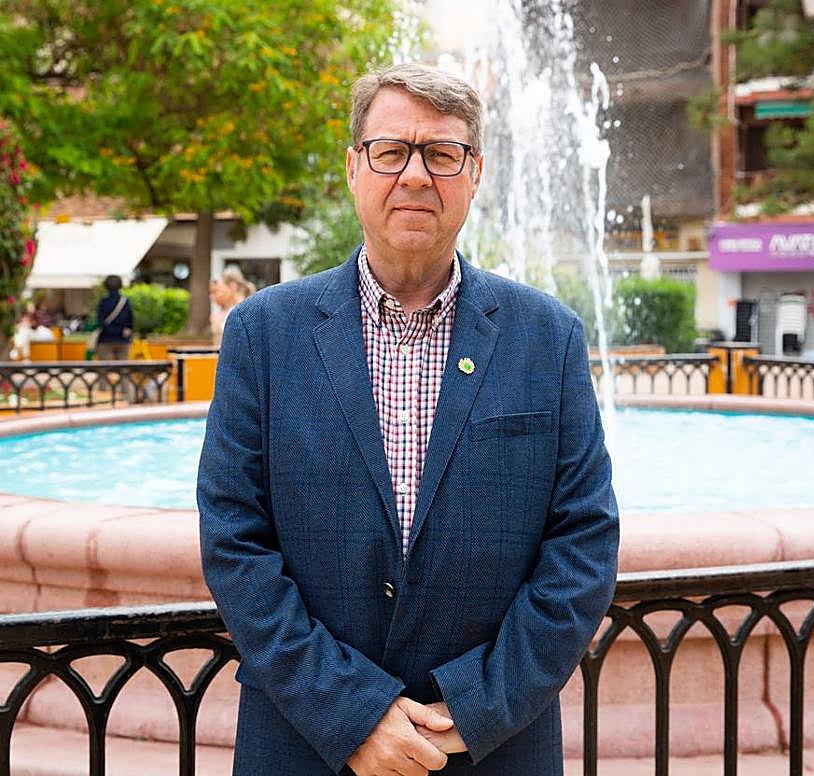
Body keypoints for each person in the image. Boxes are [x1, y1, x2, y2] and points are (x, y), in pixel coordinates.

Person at [197, 63, 619, 775]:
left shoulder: (548, 337)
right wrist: (352, 713)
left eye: (442, 154)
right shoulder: (262, 334)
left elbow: (583, 543)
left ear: (475, 172)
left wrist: (476, 709)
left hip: (490, 747)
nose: (416, 176)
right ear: (355, 168)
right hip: (305, 743)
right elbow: (235, 540)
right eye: (392, 151)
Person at [94, 275, 134, 361]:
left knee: (104, 370)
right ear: (120, 286)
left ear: (106, 286)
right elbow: (130, 322)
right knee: (124, 370)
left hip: (105, 339)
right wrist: (122, 331)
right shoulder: (125, 302)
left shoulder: (103, 302)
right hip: (122, 340)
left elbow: (101, 323)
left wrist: (112, 330)